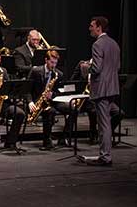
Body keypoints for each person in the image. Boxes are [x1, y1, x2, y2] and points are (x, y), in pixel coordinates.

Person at [83, 17, 122, 166]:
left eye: (92, 26)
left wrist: (85, 66)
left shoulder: (97, 44)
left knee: (104, 125)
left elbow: (97, 68)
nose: (89, 28)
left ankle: (105, 157)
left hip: (102, 89)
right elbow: (117, 67)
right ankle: (105, 154)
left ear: (99, 27)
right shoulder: (114, 44)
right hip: (112, 88)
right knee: (105, 123)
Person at [26, 50, 74, 150]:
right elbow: (27, 89)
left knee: (73, 109)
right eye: (51, 62)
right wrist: (30, 102)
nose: (53, 65)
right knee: (50, 111)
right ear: (46, 60)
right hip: (37, 101)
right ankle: (46, 141)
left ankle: (63, 137)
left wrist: (53, 94)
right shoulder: (35, 71)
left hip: (52, 100)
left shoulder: (58, 74)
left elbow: (61, 91)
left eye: (55, 63)